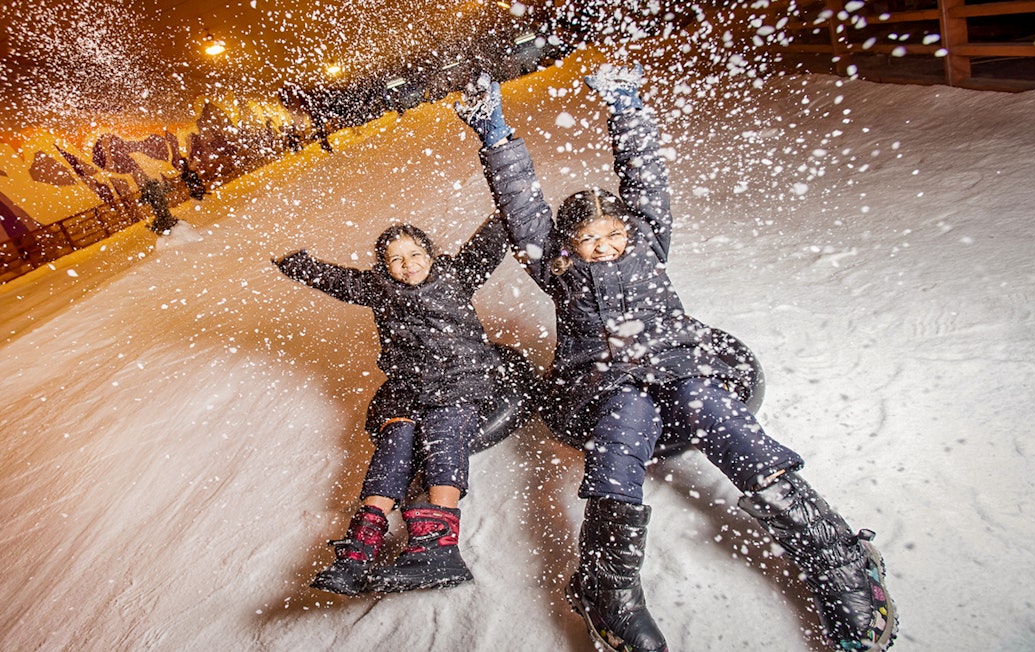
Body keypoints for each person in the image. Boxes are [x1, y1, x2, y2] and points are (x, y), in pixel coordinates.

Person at [455, 68, 897, 651]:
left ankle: (836, 554)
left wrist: (626, 107)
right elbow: (521, 204)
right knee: (621, 433)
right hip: (606, 378)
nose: (604, 245)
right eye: (590, 239)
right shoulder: (555, 267)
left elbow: (644, 174)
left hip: (679, 362)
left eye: (612, 233)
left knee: (721, 417)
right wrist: (495, 133)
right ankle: (607, 584)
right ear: (569, 246)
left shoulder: (649, 236)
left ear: (629, 229)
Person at [273, 213, 511, 595]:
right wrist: (295, 263)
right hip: (408, 386)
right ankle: (361, 547)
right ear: (384, 266)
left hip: (458, 378)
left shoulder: (457, 275)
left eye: (415, 254)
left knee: (442, 432)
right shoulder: (378, 288)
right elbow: (338, 281)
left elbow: (487, 246)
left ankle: (438, 546)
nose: (408, 265)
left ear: (431, 255)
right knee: (395, 442)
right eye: (396, 259)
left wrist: (507, 212)